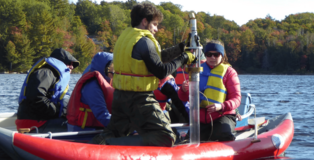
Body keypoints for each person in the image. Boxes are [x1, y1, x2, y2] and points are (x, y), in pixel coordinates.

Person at [90, 3, 195, 146]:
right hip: (139, 99)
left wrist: (182, 48)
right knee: (166, 137)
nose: (156, 29)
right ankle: (109, 144)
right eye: (155, 24)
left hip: (120, 96)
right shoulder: (144, 41)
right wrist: (184, 58)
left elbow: (155, 58)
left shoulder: (125, 38)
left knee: (114, 131)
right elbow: (161, 71)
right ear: (145, 21)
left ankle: (97, 146)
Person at [178, 40, 241, 142]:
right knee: (189, 140)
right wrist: (183, 90)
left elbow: (237, 99)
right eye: (209, 54)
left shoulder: (230, 73)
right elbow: (183, 97)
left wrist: (221, 106)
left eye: (216, 55)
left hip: (222, 115)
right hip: (201, 119)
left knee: (223, 133)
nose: (212, 57)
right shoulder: (197, 70)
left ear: (222, 55)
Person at [16, 48, 79, 133]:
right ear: (60, 62)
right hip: (34, 124)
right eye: (69, 63)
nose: (72, 66)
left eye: (73, 64)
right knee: (77, 126)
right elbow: (36, 97)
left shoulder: (53, 75)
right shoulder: (46, 73)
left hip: (40, 119)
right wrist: (57, 112)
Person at [66, 52, 114, 131]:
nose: (113, 71)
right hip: (83, 131)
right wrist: (125, 129)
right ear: (103, 68)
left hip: (97, 127)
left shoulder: (108, 81)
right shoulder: (92, 85)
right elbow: (102, 114)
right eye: (111, 68)